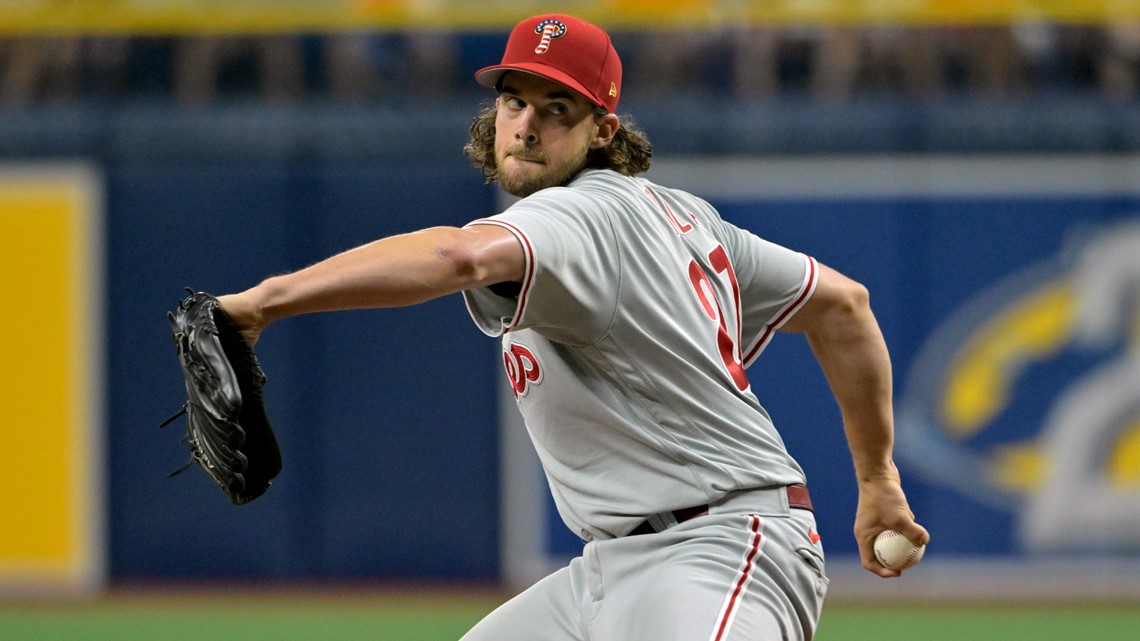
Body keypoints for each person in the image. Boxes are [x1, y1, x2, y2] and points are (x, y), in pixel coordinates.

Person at [217, 14, 929, 641]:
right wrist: (877, 479)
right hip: (616, 565)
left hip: (716, 552)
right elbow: (845, 306)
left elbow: (456, 255)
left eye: (558, 108)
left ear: (603, 131)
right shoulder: (680, 214)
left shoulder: (580, 211)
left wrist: (259, 304)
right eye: (514, 100)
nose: (527, 123)